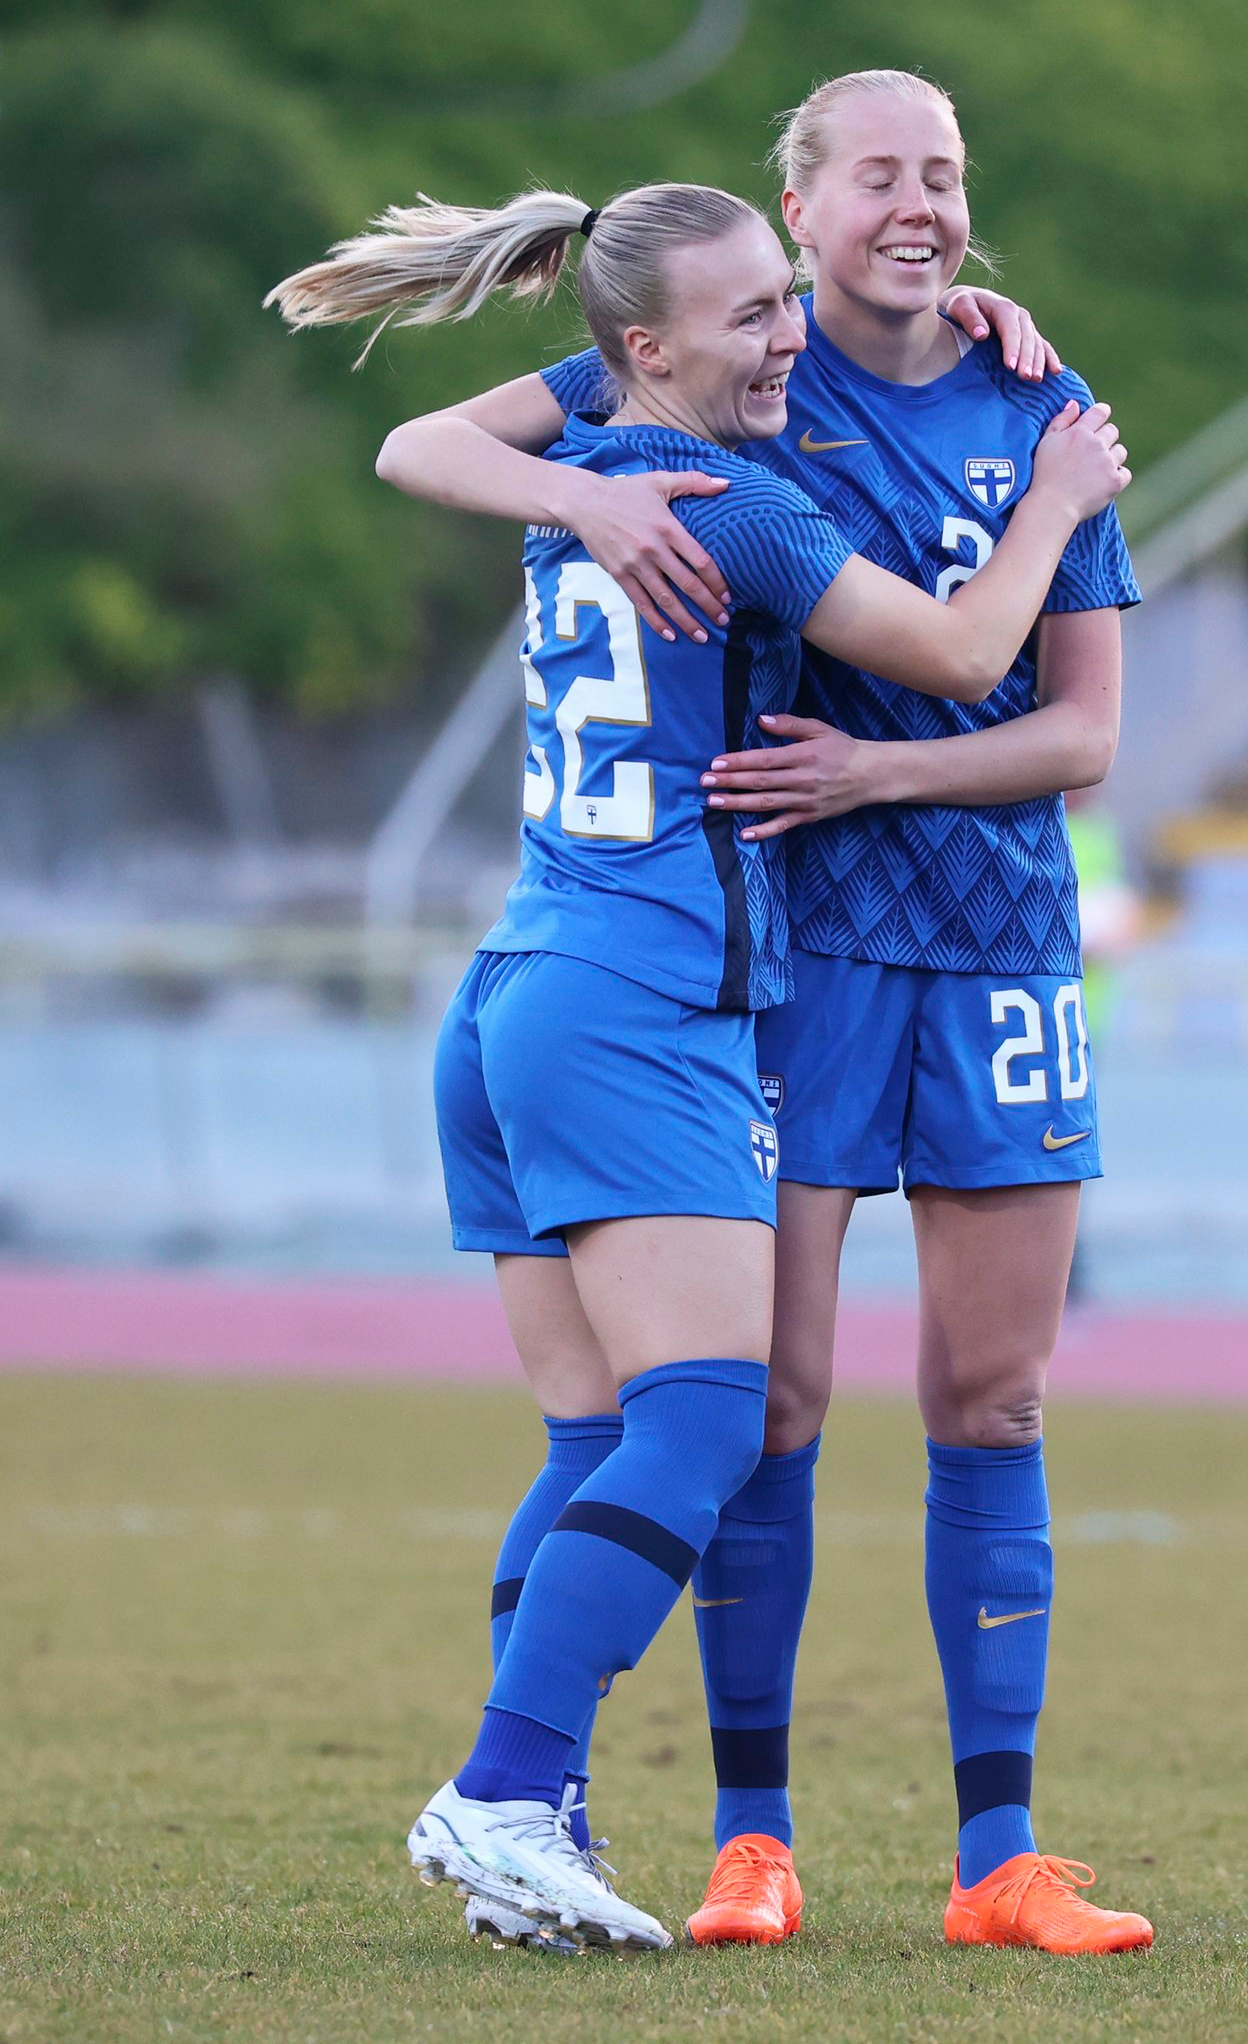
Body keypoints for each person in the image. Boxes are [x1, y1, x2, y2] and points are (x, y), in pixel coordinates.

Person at [267, 175, 1127, 1950]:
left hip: (518, 980)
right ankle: (506, 1788)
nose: (788, 339)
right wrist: (1054, 499)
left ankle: (543, 1831)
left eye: (783, 304)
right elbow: (970, 653)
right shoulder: (737, 504)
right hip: (641, 992)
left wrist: (576, 486)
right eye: (753, 315)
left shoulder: (598, 442)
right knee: (708, 1418)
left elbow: (422, 442)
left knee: (596, 1432)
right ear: (647, 351)